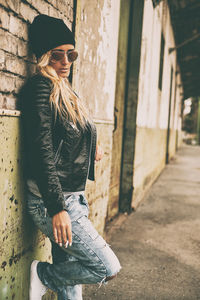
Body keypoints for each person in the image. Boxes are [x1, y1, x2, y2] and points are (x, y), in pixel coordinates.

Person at [19, 14, 121, 300]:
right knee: (106, 266)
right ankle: (43, 274)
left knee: (71, 293)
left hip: (73, 197)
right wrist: (57, 208)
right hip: (55, 201)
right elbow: (42, 151)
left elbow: (77, 128)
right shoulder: (40, 88)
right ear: (43, 56)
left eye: (70, 54)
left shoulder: (63, 89)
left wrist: (92, 147)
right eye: (57, 55)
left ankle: (52, 278)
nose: (65, 62)